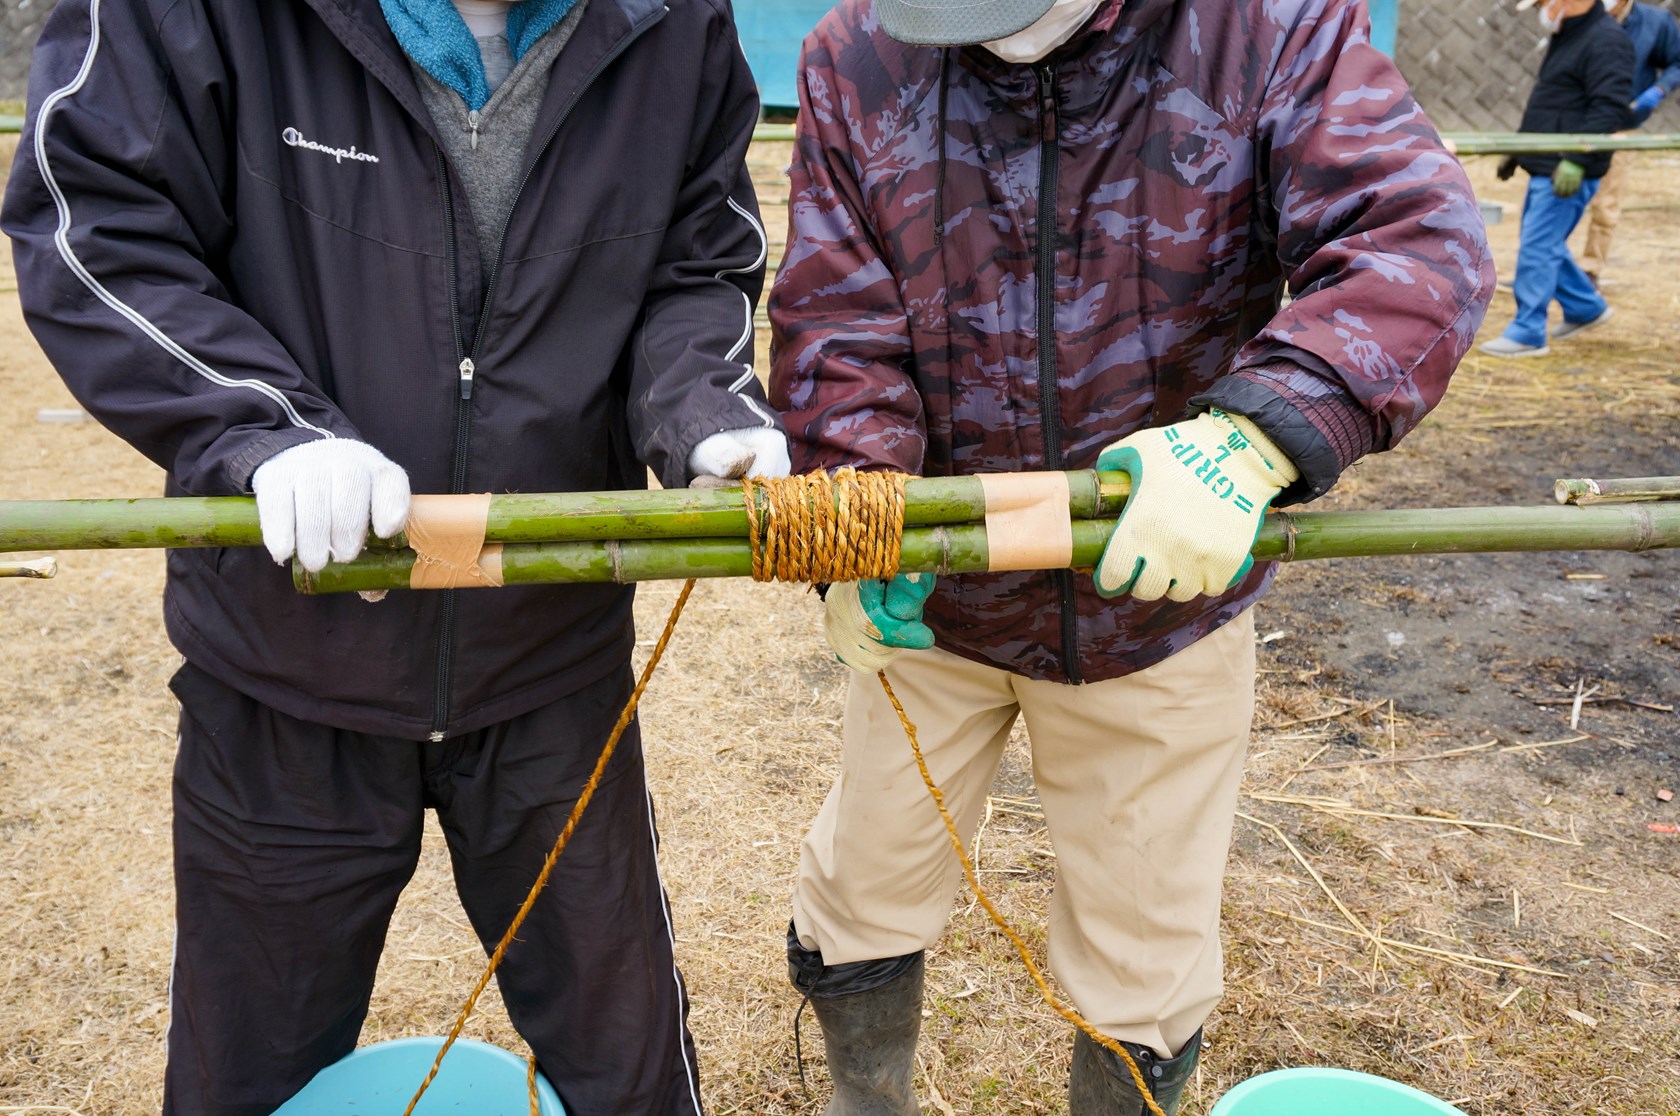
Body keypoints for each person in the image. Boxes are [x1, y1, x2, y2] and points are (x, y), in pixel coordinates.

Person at [3, 0, 788, 1113]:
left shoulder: (672, 21)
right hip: (289, 661)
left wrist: (704, 401)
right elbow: (98, 223)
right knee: (247, 1071)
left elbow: (694, 260)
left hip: (549, 654)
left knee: (631, 1069)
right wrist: (263, 423)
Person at [768, 0, 1493, 1112]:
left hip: (1158, 606)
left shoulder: (1261, 26)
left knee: (1145, 943)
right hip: (937, 598)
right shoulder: (858, 50)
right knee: (867, 875)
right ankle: (868, 1100)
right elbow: (838, 313)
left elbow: (1412, 240)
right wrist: (860, 512)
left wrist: (1255, 435)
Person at [1480, 0, 1634, 358]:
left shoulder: (1607, 40)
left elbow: (1608, 107)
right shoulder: (1569, 35)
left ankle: (1528, 330)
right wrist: (1521, 149)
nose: (1543, 10)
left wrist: (1577, 160)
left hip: (1567, 169)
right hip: (1546, 162)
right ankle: (1586, 307)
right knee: (1545, 243)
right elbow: (1553, 101)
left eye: (1545, 2)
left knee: (1538, 246)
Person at [1580, 0, 1680, 285]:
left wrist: (1659, 89)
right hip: (1579, 123)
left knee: (1606, 202)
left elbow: (1677, 61)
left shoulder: (1656, 22)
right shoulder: (1585, 14)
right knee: (1559, 196)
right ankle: (1550, 267)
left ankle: (1590, 269)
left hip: (1623, 124)